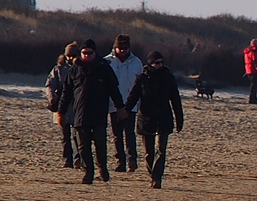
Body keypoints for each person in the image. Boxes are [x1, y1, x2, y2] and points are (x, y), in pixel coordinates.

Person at [58, 39, 121, 183]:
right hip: (80, 113)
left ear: (95, 53)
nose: (86, 55)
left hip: (99, 112)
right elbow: (66, 92)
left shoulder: (104, 67)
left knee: (100, 143)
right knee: (83, 146)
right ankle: (88, 172)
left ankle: (102, 168)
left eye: (89, 53)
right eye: (84, 53)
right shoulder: (75, 68)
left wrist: (120, 107)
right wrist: (61, 111)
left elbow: (114, 89)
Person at [127, 52, 183, 188]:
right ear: (150, 63)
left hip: (163, 118)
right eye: (156, 63)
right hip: (146, 119)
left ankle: (157, 177)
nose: (159, 65)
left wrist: (179, 118)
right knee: (148, 152)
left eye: (161, 62)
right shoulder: (142, 78)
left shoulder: (168, 78)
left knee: (161, 150)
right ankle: (152, 173)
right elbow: (133, 96)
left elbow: (175, 99)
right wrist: (124, 111)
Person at [104, 35, 144, 174]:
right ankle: (120, 161)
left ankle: (132, 160)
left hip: (130, 103)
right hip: (113, 104)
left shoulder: (136, 62)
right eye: (119, 48)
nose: (122, 51)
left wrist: (138, 103)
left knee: (129, 133)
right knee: (117, 135)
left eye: (125, 48)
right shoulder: (107, 61)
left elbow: (140, 83)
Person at [44, 43, 80, 168]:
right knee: (65, 136)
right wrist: (52, 98)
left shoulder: (81, 68)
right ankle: (67, 160)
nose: (70, 58)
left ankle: (78, 158)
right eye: (68, 55)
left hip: (77, 106)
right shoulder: (58, 69)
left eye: (73, 55)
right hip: (62, 106)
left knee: (77, 135)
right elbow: (50, 85)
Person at [242, 39, 257, 104]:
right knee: (254, 85)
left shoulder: (247, 51)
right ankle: (252, 98)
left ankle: (252, 98)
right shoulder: (254, 51)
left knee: (252, 84)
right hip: (253, 69)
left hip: (248, 69)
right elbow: (256, 61)